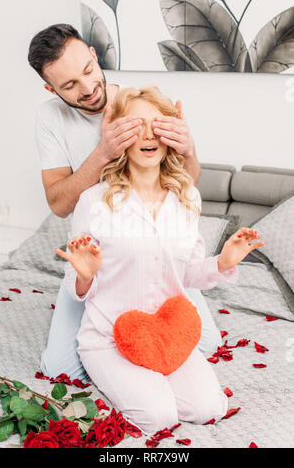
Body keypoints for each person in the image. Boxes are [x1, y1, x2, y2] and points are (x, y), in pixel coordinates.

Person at [55, 86, 265, 436]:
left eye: (158, 124)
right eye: (137, 125)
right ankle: (125, 383)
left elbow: (190, 275)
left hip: (169, 334)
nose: (149, 134)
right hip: (110, 337)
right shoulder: (93, 201)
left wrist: (224, 262)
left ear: (172, 134)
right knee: (158, 417)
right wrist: (85, 276)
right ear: (121, 135)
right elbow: (77, 285)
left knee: (209, 408)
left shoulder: (187, 198)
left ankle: (149, 383)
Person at [28, 23, 220, 382]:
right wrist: (103, 153)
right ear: (50, 88)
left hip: (156, 248)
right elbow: (58, 203)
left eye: (88, 71)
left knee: (205, 344)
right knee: (61, 370)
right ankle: (114, 337)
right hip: (102, 260)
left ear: (92, 54)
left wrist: (189, 149)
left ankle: (131, 346)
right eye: (69, 85)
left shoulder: (138, 102)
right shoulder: (50, 118)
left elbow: (185, 185)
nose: (87, 88)